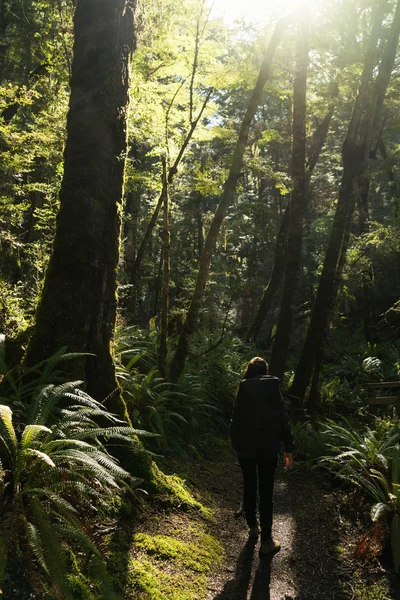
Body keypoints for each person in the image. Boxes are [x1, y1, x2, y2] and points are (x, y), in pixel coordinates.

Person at [231, 356, 293, 556]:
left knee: (249, 486)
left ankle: (252, 528)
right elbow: (284, 419)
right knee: (266, 492)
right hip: (268, 449)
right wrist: (288, 448)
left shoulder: (244, 389)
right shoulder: (273, 390)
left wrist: (237, 445)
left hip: (246, 450)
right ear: (265, 371)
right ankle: (267, 539)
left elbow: (236, 420)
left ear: (249, 371)